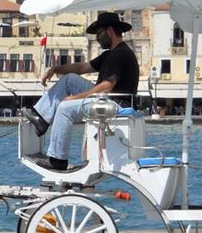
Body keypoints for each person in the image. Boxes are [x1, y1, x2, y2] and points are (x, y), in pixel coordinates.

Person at [22, 12, 139, 170]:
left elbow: (106, 86)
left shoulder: (121, 54)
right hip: (105, 99)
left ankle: (58, 160)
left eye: (99, 33)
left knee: (64, 109)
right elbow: (82, 67)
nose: (97, 38)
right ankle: (41, 118)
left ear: (110, 31)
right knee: (70, 78)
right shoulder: (110, 55)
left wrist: (75, 98)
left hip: (114, 103)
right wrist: (56, 68)